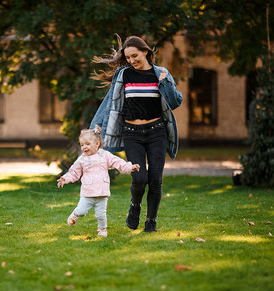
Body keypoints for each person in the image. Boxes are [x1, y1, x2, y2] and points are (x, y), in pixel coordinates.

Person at [90, 36, 183, 232]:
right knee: (139, 178)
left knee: (156, 179)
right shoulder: (123, 74)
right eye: (128, 57)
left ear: (146, 52)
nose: (132, 60)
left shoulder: (161, 73)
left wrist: (165, 83)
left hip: (157, 132)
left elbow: (175, 102)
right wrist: (96, 128)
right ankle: (135, 206)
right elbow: (109, 102)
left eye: (135, 56)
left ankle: (151, 221)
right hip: (131, 133)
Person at [57, 126, 140, 237]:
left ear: (97, 144)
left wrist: (130, 167)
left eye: (87, 144)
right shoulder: (82, 159)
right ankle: (75, 215)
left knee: (101, 215)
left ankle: (102, 230)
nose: (84, 147)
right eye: (82, 145)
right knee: (81, 211)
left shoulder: (105, 155)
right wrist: (65, 178)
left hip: (102, 192)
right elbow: (74, 172)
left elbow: (117, 162)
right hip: (87, 193)